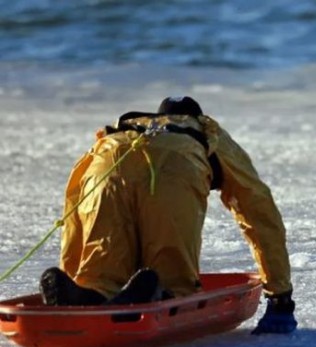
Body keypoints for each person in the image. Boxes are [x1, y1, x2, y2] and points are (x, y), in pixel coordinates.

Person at [39, 96, 297, 334]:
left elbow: (74, 208)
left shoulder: (119, 131)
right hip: (173, 169)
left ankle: (88, 294)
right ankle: (160, 293)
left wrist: (73, 273)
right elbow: (258, 211)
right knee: (173, 283)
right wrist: (280, 295)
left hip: (105, 167)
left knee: (100, 276)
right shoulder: (207, 132)